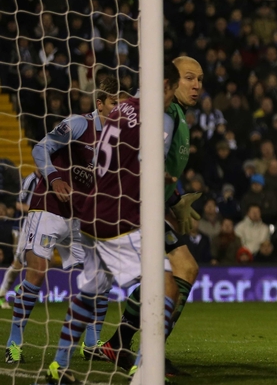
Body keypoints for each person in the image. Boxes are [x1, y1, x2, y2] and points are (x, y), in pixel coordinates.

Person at [44, 69, 182, 382]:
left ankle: (59, 365)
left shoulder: (120, 108)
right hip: (119, 217)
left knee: (91, 290)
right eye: (172, 91)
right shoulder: (161, 120)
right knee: (164, 286)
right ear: (164, 85)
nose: (171, 100)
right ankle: (147, 370)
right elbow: (149, 167)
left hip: (91, 211)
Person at [95, 57, 204, 377]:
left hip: (143, 204)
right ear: (169, 82)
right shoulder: (165, 112)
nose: (196, 85)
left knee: (182, 270)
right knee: (180, 272)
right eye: (188, 78)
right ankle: (146, 354)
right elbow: (146, 163)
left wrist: (174, 201)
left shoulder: (173, 113)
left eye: (200, 79)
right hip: (135, 208)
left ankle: (121, 343)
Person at [4, 78, 118, 364]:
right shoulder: (79, 124)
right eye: (115, 103)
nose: (119, 109)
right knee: (38, 272)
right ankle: (14, 341)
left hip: (80, 215)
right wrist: (54, 179)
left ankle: (91, 343)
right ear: (101, 103)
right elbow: (40, 149)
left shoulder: (118, 139)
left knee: (101, 276)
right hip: (49, 205)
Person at [0, 170, 40, 310]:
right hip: (23, 228)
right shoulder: (29, 181)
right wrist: (36, 210)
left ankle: (23, 289)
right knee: (18, 263)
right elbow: (16, 203)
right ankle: (2, 293)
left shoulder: (50, 181)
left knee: (46, 261)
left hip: (40, 229)